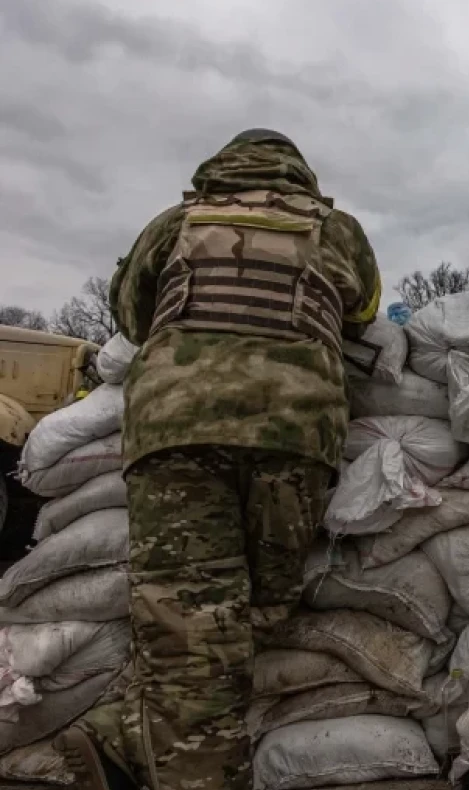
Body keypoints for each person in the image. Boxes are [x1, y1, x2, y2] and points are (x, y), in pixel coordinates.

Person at [53, 128, 382, 790]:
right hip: (293, 435)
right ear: (301, 177)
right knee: (262, 603)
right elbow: (363, 313)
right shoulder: (335, 228)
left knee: (193, 623)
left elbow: (132, 314)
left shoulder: (176, 222)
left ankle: (125, 737)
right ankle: (167, 757)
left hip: (177, 432)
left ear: (219, 170)